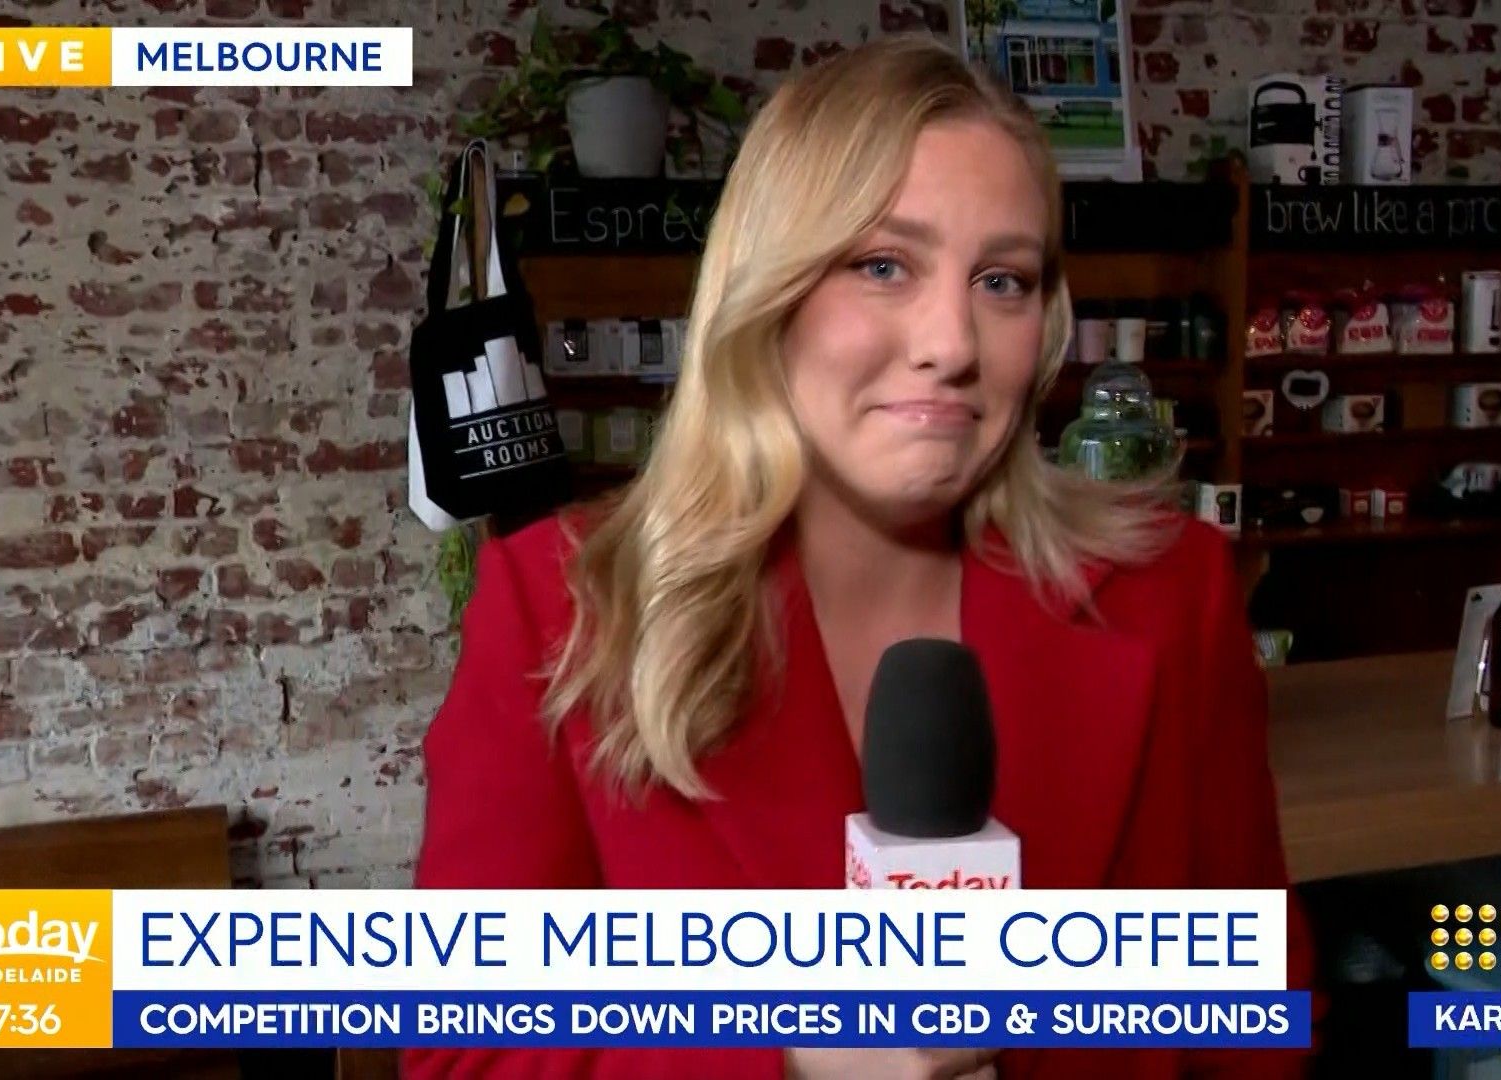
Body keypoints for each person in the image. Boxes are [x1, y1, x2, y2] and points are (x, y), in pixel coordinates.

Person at [407, 34, 1313, 1080]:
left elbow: (1260, 1028)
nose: (953, 343)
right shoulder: (560, 606)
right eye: (884, 266)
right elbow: (467, 1058)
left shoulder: (1171, 593)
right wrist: (786, 1056)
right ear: (769, 294)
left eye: (1003, 281)